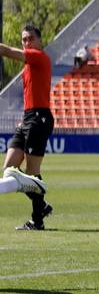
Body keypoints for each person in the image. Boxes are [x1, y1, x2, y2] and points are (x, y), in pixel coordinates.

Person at [0, 25, 54, 229]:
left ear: (40, 41)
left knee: (32, 172)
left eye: (30, 38)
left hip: (39, 118)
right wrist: (25, 118)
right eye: (24, 39)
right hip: (29, 118)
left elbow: (7, 51)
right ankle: (42, 204)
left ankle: (37, 220)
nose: (27, 42)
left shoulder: (39, 57)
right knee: (9, 169)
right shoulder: (28, 66)